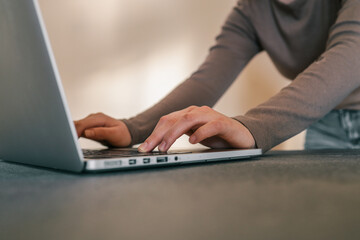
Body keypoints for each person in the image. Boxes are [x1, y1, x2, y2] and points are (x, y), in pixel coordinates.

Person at [75, 0, 360, 153]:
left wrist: (251, 127)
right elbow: (206, 81)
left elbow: (350, 54)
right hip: (328, 124)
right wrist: (133, 129)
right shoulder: (252, 10)